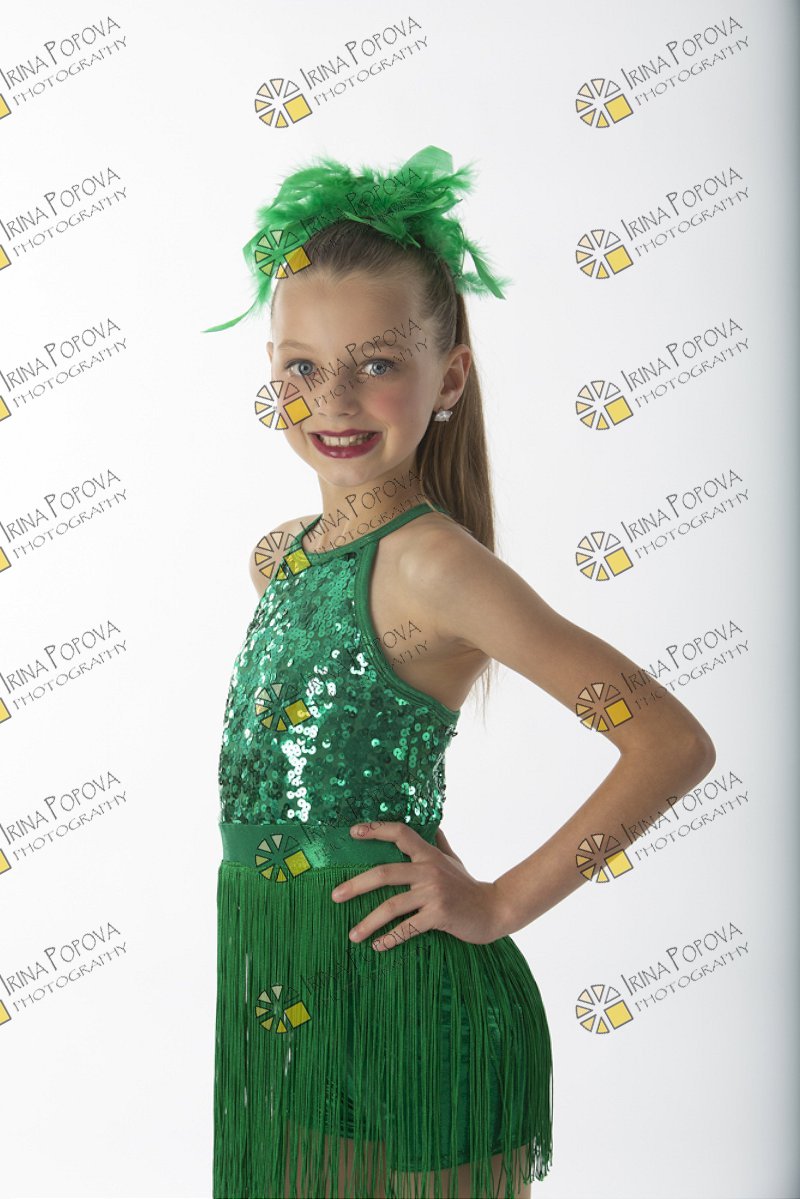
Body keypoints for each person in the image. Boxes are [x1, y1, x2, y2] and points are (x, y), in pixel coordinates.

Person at [205, 146, 716, 1199]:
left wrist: (495, 902)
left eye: (376, 363)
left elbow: (668, 741)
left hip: (420, 1017)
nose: (332, 398)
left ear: (448, 376)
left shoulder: (436, 567)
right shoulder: (278, 557)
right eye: (300, 366)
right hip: (298, 1007)